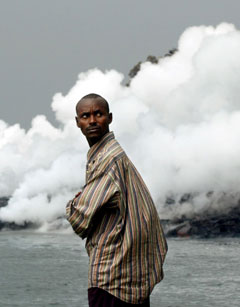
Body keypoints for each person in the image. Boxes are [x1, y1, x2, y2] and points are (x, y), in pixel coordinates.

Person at [66, 93, 168, 306]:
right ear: (77, 122)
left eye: (98, 114)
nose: (92, 120)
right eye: (85, 116)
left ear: (110, 118)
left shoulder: (109, 161)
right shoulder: (112, 156)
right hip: (131, 273)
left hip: (112, 276)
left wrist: (73, 204)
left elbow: (79, 219)